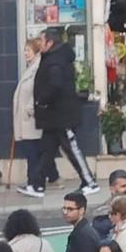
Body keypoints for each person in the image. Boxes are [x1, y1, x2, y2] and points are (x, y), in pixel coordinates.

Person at [21, 27, 96, 198]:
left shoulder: (55, 61)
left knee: (71, 148)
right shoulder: (51, 58)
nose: (38, 44)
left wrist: (41, 101)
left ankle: (89, 181)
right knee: (46, 150)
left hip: (62, 115)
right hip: (53, 116)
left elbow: (55, 85)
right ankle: (36, 184)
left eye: (41, 40)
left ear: (50, 42)